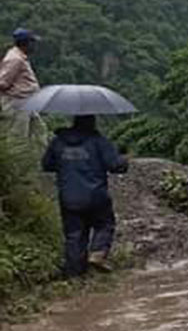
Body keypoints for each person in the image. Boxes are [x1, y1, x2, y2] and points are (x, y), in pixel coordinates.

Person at [42, 115, 129, 277]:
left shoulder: (58, 141)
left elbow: (47, 164)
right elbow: (115, 166)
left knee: (74, 235)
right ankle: (97, 252)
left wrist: (66, 165)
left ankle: (75, 275)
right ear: (92, 122)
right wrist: (124, 160)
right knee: (105, 224)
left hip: (68, 197)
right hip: (96, 195)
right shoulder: (98, 141)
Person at [0, 27, 44, 142]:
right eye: (32, 42)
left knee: (39, 136)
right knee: (18, 138)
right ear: (25, 43)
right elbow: (3, 82)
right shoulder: (15, 59)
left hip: (28, 103)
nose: (34, 46)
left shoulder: (20, 57)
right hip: (17, 104)